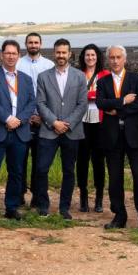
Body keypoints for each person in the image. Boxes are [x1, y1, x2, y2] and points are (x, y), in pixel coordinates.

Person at [0, 40, 36, 223]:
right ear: (1, 55)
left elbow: (31, 102)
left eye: (14, 53)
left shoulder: (26, 79)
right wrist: (8, 118)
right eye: (7, 53)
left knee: (16, 172)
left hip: (19, 132)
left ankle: (11, 208)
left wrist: (19, 120)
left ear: (19, 56)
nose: (11, 56)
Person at [97, 45, 138, 229]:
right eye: (112, 57)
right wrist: (123, 101)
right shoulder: (103, 81)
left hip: (135, 135)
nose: (115, 61)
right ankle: (119, 216)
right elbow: (100, 103)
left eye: (118, 57)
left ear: (125, 59)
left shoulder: (137, 79)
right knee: (115, 178)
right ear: (108, 59)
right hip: (111, 136)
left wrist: (117, 110)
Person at [33, 38, 87, 219]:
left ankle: (64, 208)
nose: (61, 55)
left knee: (69, 171)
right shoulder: (43, 76)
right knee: (41, 169)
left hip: (71, 132)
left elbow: (82, 104)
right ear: (53, 53)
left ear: (70, 54)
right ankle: (43, 206)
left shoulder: (79, 76)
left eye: (64, 52)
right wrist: (54, 122)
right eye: (58, 52)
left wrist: (67, 124)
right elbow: (40, 103)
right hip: (49, 130)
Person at [17, 32, 54, 204]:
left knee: (40, 162)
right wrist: (25, 116)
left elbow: (52, 95)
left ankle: (37, 197)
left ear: (41, 44)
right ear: (26, 44)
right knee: (19, 160)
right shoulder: (18, 64)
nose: (33, 45)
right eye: (30, 42)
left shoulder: (49, 65)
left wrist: (42, 116)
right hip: (21, 121)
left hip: (43, 121)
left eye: (36, 42)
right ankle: (18, 194)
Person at [76, 44, 108, 213]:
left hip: (100, 123)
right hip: (81, 122)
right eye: (87, 55)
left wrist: (91, 97)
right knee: (82, 160)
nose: (90, 58)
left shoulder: (105, 75)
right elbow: (75, 97)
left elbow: (107, 97)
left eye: (93, 55)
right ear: (83, 57)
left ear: (98, 57)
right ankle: (83, 197)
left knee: (98, 161)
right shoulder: (77, 75)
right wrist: (94, 96)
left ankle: (99, 198)